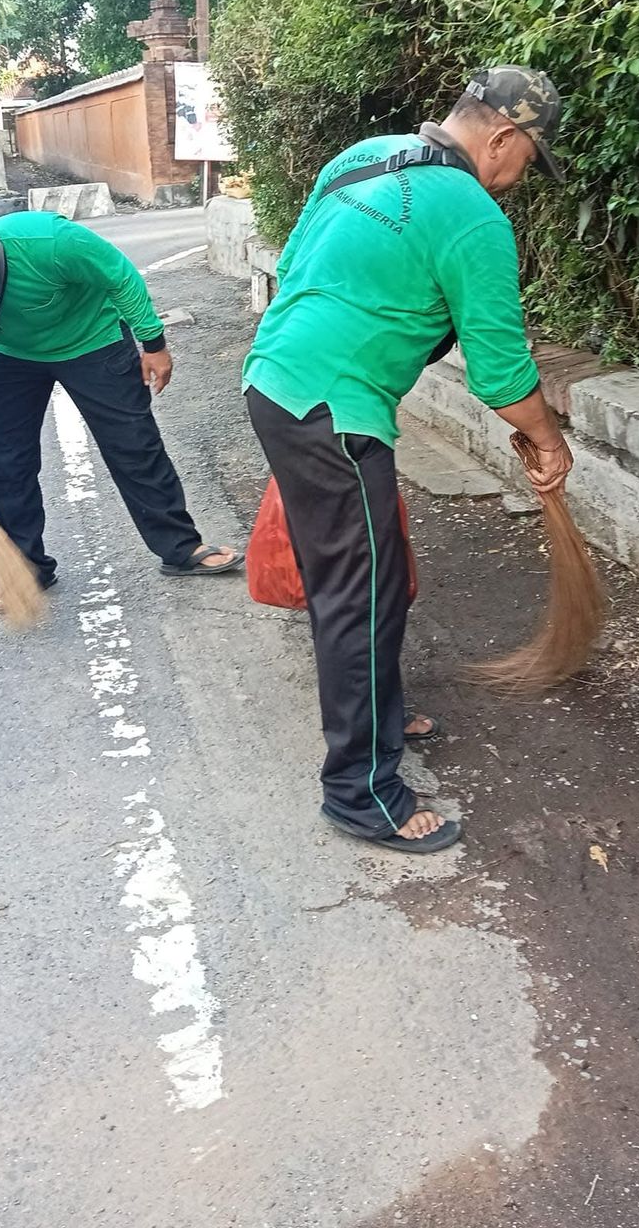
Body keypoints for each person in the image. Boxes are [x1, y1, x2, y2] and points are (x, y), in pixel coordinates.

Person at [243, 67, 574, 855]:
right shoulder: (475, 219)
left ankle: (382, 715)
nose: (523, 177)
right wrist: (549, 440)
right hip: (334, 414)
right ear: (501, 137)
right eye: (529, 157)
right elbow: (501, 373)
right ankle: (361, 793)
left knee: (374, 580)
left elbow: (296, 265)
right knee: (358, 595)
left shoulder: (364, 156)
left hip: (278, 381)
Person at [0, 212, 242, 609]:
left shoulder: (51, 242)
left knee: (134, 446)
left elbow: (119, 275)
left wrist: (153, 343)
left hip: (91, 338)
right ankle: (25, 570)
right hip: (8, 353)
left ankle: (181, 548)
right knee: (6, 463)